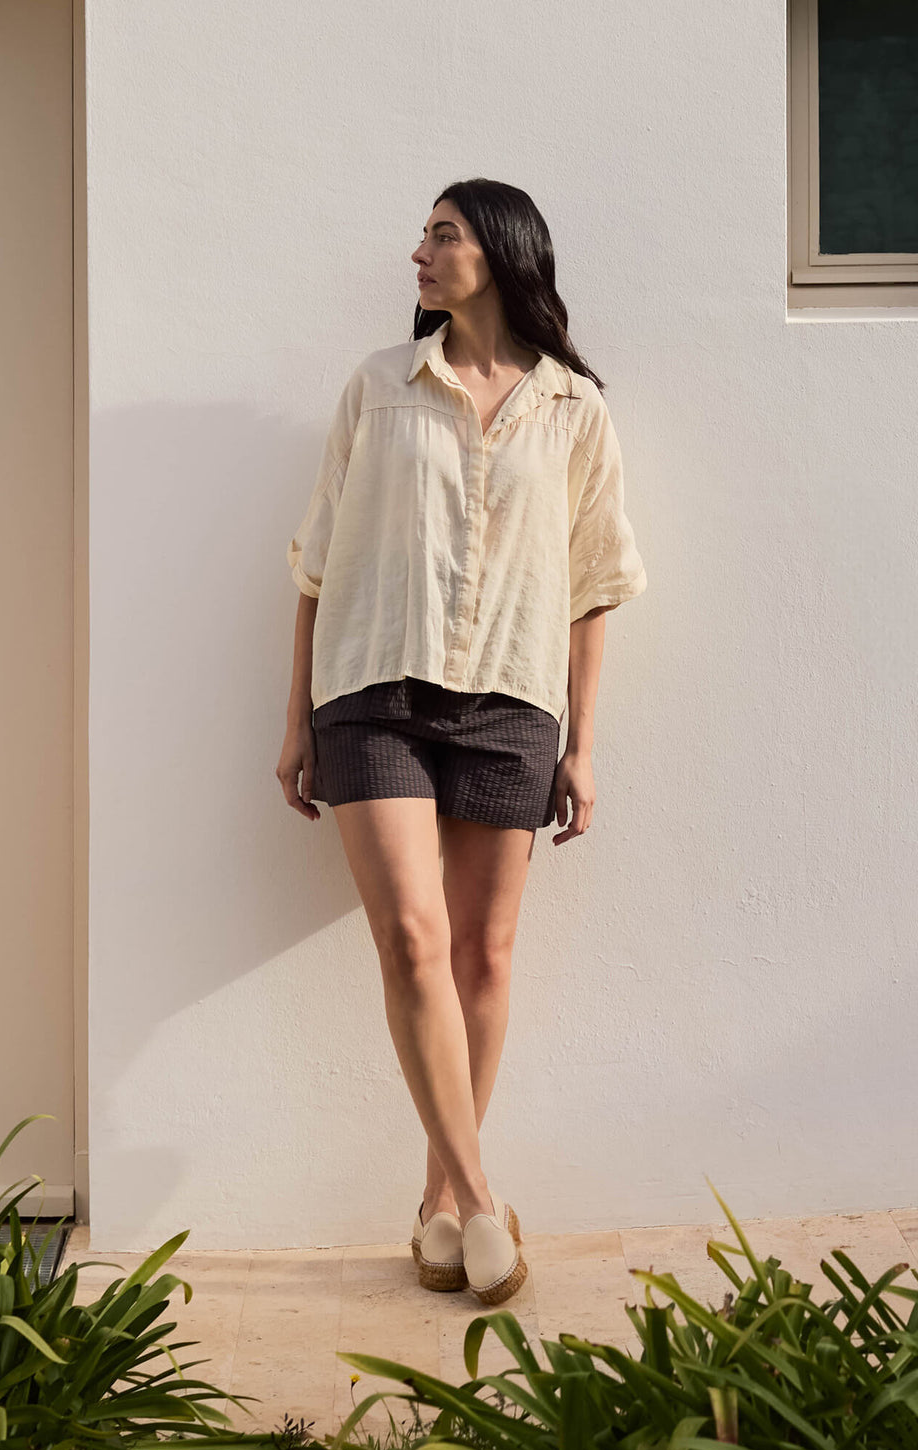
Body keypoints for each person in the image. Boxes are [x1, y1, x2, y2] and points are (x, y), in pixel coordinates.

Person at [275, 178, 646, 1306]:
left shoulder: (575, 409)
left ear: (502, 251)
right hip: (372, 691)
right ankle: (486, 1204)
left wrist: (582, 745)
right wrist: (295, 720)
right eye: (424, 235)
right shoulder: (377, 389)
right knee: (412, 941)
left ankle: (438, 1202)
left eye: (441, 233)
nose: (420, 253)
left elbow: (595, 586)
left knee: (484, 956)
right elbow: (315, 565)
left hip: (510, 702)